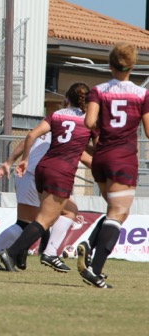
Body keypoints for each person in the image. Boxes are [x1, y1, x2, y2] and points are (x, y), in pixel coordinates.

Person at [0, 83, 93, 274]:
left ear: (68, 97)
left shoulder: (57, 115)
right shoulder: (89, 122)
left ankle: (37, 252)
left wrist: (24, 159)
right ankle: (15, 252)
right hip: (61, 171)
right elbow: (95, 149)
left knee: (60, 213)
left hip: (43, 168)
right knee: (44, 219)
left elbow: (31, 134)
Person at [77, 43, 149, 289]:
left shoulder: (98, 90)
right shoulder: (141, 94)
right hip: (123, 158)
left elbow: (89, 122)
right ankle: (94, 270)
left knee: (115, 211)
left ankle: (88, 245)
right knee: (118, 214)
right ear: (132, 66)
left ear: (110, 65)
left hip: (101, 157)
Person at [0, 131, 92, 272]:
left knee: (25, 223)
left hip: (25, 174)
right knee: (68, 212)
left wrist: (9, 162)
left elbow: (28, 139)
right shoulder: (78, 126)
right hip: (34, 176)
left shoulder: (56, 120)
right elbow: (84, 157)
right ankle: (48, 253)